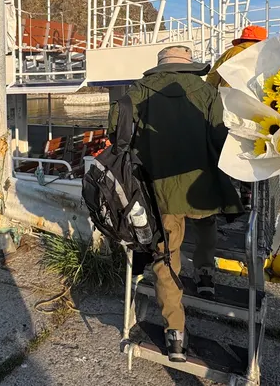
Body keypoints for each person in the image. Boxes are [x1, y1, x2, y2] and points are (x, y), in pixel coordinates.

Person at [107, 45, 243, 362]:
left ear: (159, 67)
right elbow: (222, 142)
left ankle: (175, 334)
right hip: (202, 187)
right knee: (207, 226)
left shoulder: (136, 94)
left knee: (167, 260)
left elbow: (117, 137)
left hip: (158, 192)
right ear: (188, 66)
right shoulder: (208, 93)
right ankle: (207, 278)